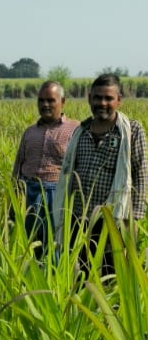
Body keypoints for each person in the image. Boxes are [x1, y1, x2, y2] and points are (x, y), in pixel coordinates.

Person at [54, 73, 147, 276]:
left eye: (108, 98)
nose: (102, 103)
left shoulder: (131, 131)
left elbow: (141, 176)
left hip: (114, 220)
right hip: (78, 219)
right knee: (79, 275)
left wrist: (134, 219)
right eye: (97, 98)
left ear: (119, 100)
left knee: (111, 274)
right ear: (89, 99)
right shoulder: (81, 132)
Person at [11, 82, 79, 256]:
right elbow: (18, 164)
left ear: (62, 101)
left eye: (50, 100)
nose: (45, 105)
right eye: (41, 100)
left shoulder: (75, 129)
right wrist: (13, 197)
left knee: (55, 244)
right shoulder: (29, 132)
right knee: (29, 243)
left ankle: (54, 280)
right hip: (29, 194)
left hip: (58, 194)